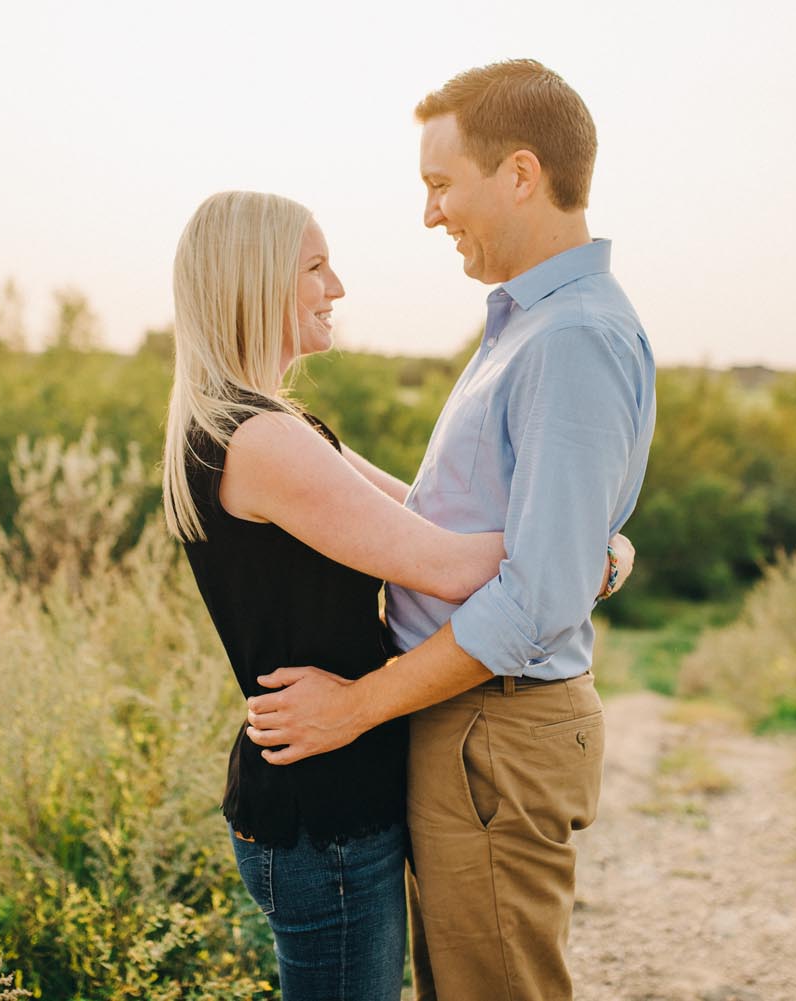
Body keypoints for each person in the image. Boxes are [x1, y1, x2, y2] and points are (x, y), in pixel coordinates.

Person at [243, 60, 657, 1001]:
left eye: (441, 184)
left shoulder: (570, 339)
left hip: (496, 726)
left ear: (519, 174)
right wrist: (283, 437)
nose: (430, 214)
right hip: (470, 719)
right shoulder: (527, 325)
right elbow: (466, 524)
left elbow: (537, 599)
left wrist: (355, 705)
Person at [161, 190, 634, 1001]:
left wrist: (573, 540)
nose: (336, 287)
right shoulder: (261, 438)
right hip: (323, 804)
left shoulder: (267, 425)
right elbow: (445, 565)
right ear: (255, 281)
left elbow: (413, 515)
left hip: (323, 788)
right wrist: (596, 551)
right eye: (315, 267)